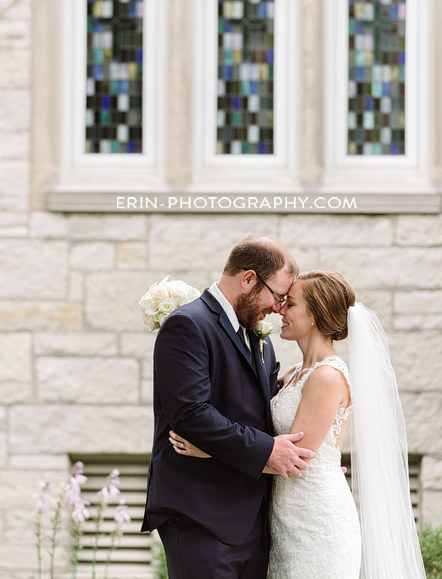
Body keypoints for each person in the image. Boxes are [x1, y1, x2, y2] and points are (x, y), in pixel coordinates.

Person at [171, 271, 426, 579]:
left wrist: (209, 451)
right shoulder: (295, 372)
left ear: (315, 316)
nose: (280, 310)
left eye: (290, 303)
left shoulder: (327, 376)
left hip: (316, 521)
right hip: (287, 518)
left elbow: (293, 459)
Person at [140, 235, 314, 579]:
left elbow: (260, 410)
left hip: (254, 517)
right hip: (200, 515)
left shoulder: (257, 337)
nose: (278, 309)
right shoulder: (188, 325)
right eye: (277, 296)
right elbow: (190, 413)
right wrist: (266, 451)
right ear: (248, 279)